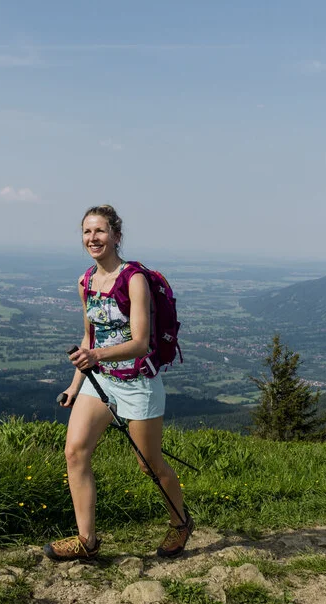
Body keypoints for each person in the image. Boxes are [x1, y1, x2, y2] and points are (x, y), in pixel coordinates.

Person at [45, 204, 193, 561]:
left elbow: (140, 343)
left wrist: (96, 356)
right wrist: (75, 385)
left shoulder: (134, 279)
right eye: (87, 232)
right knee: (75, 452)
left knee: (149, 464)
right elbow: (89, 338)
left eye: (99, 231)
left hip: (138, 383)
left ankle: (181, 522)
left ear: (116, 236)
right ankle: (87, 541)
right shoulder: (86, 282)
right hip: (101, 381)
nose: (92, 238)